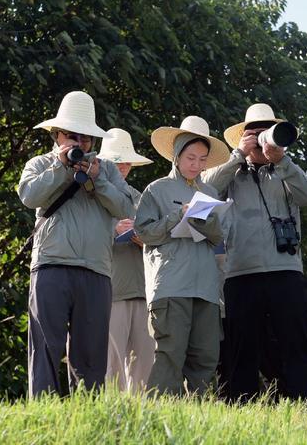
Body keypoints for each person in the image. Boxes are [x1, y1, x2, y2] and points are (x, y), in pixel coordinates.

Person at [18, 91, 134, 397]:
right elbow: (29, 196)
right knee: (45, 348)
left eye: (85, 139)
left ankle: (87, 417)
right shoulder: (39, 164)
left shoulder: (106, 168)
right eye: (72, 136)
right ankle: (41, 415)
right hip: (51, 266)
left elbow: (125, 207)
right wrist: (60, 168)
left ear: (93, 142)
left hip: (96, 270)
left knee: (91, 355)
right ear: (57, 135)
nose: (79, 144)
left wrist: (98, 180)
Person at [203, 103, 307, 402]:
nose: (261, 139)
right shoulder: (231, 173)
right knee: (241, 346)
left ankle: (306, 403)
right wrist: (237, 157)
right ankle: (240, 405)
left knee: (296, 342)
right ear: (242, 137)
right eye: (254, 133)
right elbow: (203, 193)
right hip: (241, 272)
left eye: (265, 132)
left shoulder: (286, 169)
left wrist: (282, 161)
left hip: (286, 270)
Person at [134, 116, 230, 396]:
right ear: (176, 156)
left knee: (206, 355)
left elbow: (221, 238)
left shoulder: (211, 192)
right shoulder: (157, 189)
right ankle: (161, 420)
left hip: (207, 288)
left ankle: (199, 419)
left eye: (202, 159)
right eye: (190, 157)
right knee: (170, 352)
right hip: (171, 284)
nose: (196, 165)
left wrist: (207, 220)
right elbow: (144, 232)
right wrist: (179, 215)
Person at [98, 127, 155, 392]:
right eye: (116, 162)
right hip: (110, 290)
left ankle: (144, 426)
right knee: (111, 368)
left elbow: (156, 236)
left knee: (145, 366)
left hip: (143, 290)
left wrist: (144, 237)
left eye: (126, 162)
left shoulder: (140, 198)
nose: (122, 167)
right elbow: (81, 233)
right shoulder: (92, 192)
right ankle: (111, 422)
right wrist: (113, 230)